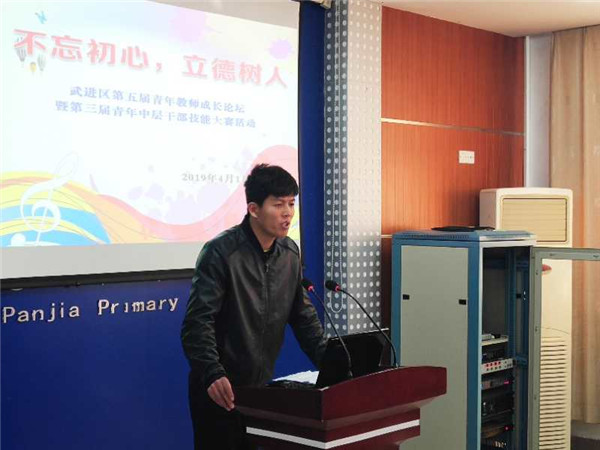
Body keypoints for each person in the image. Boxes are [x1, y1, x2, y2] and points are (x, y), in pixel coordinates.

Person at [181, 164, 327, 450]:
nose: (287, 213)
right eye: (278, 204)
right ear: (253, 209)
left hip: (260, 391)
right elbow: (197, 324)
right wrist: (212, 372)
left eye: (291, 204)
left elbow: (304, 319)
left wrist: (333, 366)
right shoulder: (222, 252)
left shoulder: (289, 253)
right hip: (219, 388)